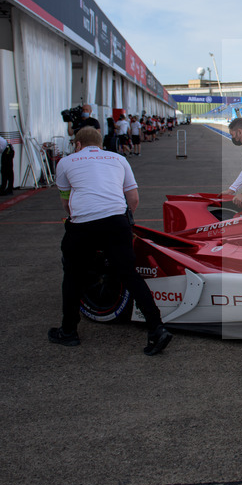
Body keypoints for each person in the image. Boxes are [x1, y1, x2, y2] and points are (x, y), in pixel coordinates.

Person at [49, 126, 172, 356]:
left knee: (73, 275)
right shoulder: (118, 159)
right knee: (130, 274)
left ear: (77, 144)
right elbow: (133, 198)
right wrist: (126, 223)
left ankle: (69, 331)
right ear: (101, 144)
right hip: (116, 221)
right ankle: (157, 327)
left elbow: (66, 202)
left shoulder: (66, 162)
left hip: (83, 224)